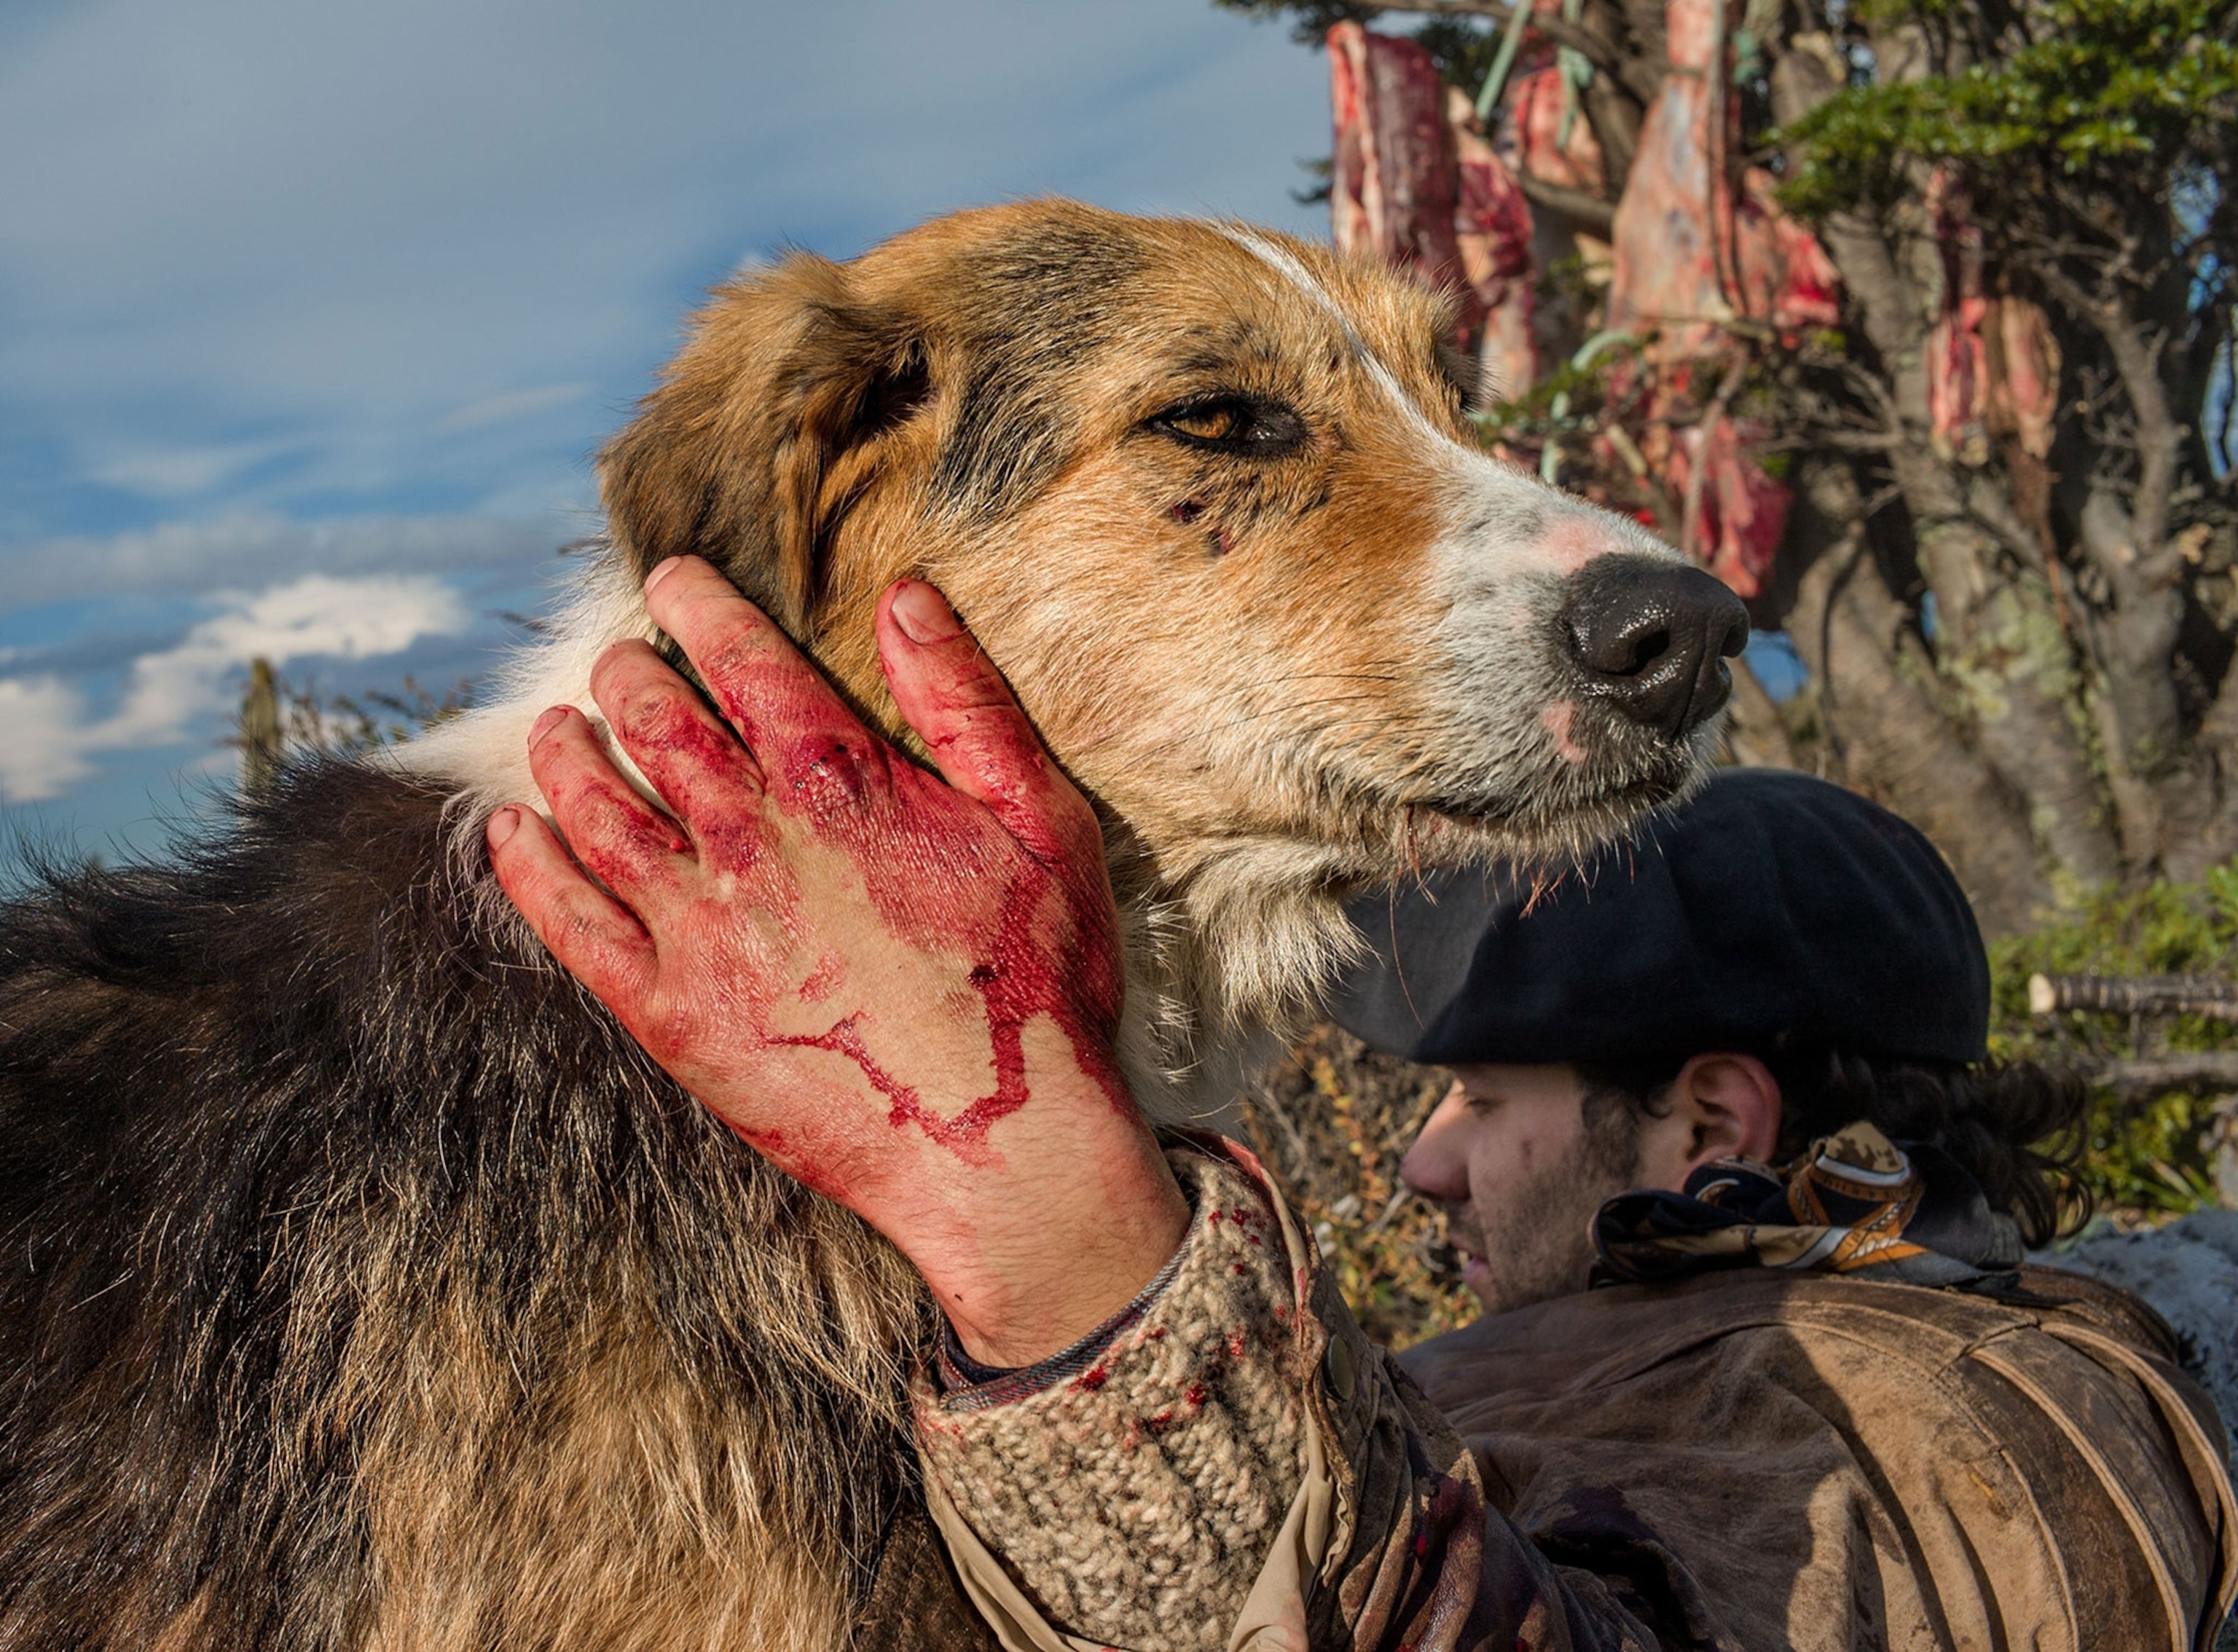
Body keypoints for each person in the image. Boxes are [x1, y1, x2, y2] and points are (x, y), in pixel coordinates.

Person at [491, 556, 2238, 1652]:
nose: (1425, 1161)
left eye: (1487, 1095)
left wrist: (1058, 1230)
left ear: (1712, 1126)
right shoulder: (1658, 1348)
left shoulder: (1975, 1410)